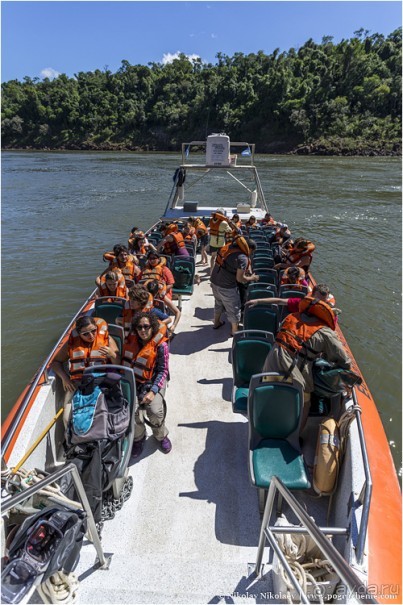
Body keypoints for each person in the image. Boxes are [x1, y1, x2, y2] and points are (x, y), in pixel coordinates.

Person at [261, 296, 351, 430]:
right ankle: (295, 435)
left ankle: (265, 416)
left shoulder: (291, 317)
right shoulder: (325, 333)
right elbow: (345, 361)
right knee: (306, 401)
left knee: (270, 390)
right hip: (291, 369)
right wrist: (347, 382)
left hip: (271, 362)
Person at [51, 316, 119, 424]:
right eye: (85, 334)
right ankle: (71, 438)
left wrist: (112, 354)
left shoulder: (107, 340)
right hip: (77, 384)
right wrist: (65, 379)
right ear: (78, 334)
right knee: (66, 418)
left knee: (99, 416)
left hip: (100, 383)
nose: (91, 336)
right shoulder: (72, 344)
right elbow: (55, 363)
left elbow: (118, 364)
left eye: (93, 331)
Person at [122, 312, 172, 457]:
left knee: (155, 411)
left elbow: (163, 371)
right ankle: (139, 438)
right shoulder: (131, 342)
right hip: (135, 381)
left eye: (146, 327)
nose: (143, 330)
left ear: (153, 327)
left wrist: (153, 391)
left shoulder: (161, 346)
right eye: (139, 327)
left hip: (155, 381)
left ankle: (161, 435)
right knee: (134, 411)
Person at [210, 236, 259, 336]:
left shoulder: (228, 247)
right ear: (249, 248)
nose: (250, 254)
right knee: (234, 308)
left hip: (214, 281)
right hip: (227, 286)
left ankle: (216, 323)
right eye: (252, 252)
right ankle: (234, 332)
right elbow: (240, 279)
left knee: (218, 303)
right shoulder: (242, 258)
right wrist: (253, 278)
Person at [208, 209, 236, 273]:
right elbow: (230, 230)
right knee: (221, 257)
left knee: (213, 257)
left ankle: (211, 271)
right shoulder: (224, 223)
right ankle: (219, 271)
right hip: (221, 243)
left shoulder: (211, 220)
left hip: (212, 242)